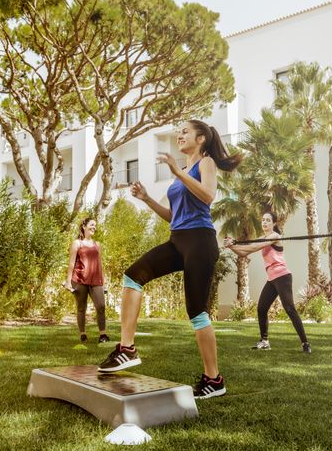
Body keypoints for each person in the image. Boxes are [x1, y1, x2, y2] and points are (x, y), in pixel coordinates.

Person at [97, 119, 242, 399]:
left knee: (197, 312)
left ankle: (214, 379)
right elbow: (174, 217)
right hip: (178, 240)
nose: (179, 135)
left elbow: (208, 196)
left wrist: (177, 171)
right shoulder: (184, 172)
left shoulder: (205, 163)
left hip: (200, 241)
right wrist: (147, 199)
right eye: (179, 132)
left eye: (185, 131)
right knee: (133, 276)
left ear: (201, 138)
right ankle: (127, 349)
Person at [224, 212, 311, 353]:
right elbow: (244, 252)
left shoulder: (275, 236)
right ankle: (264, 342)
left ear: (274, 223)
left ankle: (305, 343)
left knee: (289, 309)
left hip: (282, 277)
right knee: (261, 308)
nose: (264, 222)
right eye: (263, 220)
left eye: (268, 220)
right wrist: (231, 246)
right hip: (271, 279)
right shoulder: (262, 238)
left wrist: (233, 244)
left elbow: (253, 248)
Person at [64, 217, 108, 343]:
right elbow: (71, 263)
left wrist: (104, 282)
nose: (94, 227)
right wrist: (68, 282)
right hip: (79, 279)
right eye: (92, 224)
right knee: (81, 308)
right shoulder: (77, 243)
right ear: (84, 226)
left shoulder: (97, 245)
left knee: (101, 306)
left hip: (96, 280)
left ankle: (103, 335)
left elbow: (100, 264)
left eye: (95, 225)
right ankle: (83, 334)